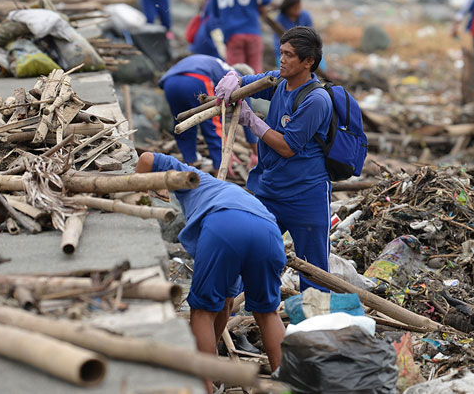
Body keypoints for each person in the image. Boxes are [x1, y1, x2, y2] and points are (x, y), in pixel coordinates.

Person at [135, 152, 285, 390]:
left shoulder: (192, 178)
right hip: (268, 230)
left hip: (223, 223)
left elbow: (146, 158)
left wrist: (140, 192)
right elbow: (225, 302)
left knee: (202, 311)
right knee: (268, 314)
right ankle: (286, 384)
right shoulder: (222, 190)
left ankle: (203, 385)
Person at [215, 27, 332, 291]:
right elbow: (246, 82)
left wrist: (251, 120)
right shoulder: (277, 80)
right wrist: (233, 78)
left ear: (308, 61)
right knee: (248, 251)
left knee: (314, 272)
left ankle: (313, 326)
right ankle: (233, 313)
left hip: (306, 195)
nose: (282, 60)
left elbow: (288, 147)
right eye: (281, 53)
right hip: (270, 189)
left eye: (289, 55)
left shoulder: (316, 99)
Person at [159, 55, 258, 173]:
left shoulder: (220, 65)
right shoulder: (239, 76)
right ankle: (220, 172)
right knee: (213, 126)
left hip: (170, 82)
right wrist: (256, 153)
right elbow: (248, 116)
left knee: (183, 125)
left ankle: (188, 166)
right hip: (196, 80)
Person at [272, 0, 313, 66]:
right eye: (294, 8)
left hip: (305, 51)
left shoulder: (305, 16)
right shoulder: (280, 19)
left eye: (299, 7)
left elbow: (311, 36)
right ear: (288, 8)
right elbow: (278, 41)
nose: (297, 10)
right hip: (286, 52)